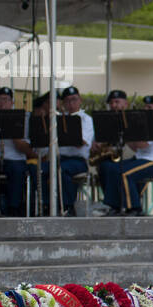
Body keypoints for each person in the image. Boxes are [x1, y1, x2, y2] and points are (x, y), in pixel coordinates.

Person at [96, 94, 153, 216]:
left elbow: (142, 145)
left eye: (149, 108)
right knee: (109, 168)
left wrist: (126, 132)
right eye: (145, 107)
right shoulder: (146, 122)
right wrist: (125, 133)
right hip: (141, 158)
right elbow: (135, 147)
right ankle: (114, 206)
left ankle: (134, 208)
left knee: (124, 173)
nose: (146, 110)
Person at [56, 86, 94, 216]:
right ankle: (45, 206)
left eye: (74, 100)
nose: (71, 104)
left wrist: (65, 133)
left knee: (62, 170)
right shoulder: (58, 119)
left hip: (78, 161)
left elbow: (81, 142)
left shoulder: (87, 120)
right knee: (42, 170)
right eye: (67, 101)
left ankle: (68, 206)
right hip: (60, 158)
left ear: (80, 100)